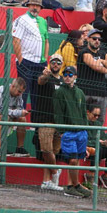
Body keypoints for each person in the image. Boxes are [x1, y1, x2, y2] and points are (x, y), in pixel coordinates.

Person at [53, 66, 92, 198]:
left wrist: (85, 128)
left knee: (78, 159)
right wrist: (62, 131)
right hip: (68, 131)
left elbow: (83, 112)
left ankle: (71, 186)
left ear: (75, 76)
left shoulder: (80, 92)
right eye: (65, 74)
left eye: (70, 74)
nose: (67, 77)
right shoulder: (60, 92)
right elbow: (58, 113)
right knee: (73, 160)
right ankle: (76, 185)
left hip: (81, 131)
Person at [13, 0, 49, 123]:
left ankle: (35, 123)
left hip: (40, 63)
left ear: (40, 8)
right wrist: (21, 59)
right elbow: (16, 39)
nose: (35, 7)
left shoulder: (43, 21)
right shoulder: (22, 20)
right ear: (28, 6)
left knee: (37, 95)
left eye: (37, 5)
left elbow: (46, 41)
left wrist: (45, 60)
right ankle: (19, 120)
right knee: (23, 92)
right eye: (32, 5)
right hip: (26, 61)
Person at [33, 53, 64, 191]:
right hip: (45, 119)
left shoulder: (64, 81)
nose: (55, 64)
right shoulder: (45, 77)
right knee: (46, 150)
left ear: (61, 65)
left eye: (58, 62)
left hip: (59, 121)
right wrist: (46, 74)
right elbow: (41, 80)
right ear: (49, 63)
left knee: (54, 152)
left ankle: (46, 181)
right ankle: (55, 172)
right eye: (53, 62)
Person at [76, 29, 107, 126]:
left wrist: (102, 62)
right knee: (82, 120)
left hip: (101, 92)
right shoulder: (84, 52)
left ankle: (98, 140)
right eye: (94, 38)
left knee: (99, 121)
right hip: (85, 92)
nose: (97, 41)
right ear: (88, 39)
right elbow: (95, 66)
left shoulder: (103, 53)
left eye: (99, 39)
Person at [83, 98, 107, 189]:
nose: (97, 117)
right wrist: (98, 142)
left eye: (98, 115)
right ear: (88, 112)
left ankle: (106, 175)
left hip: (97, 146)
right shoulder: (83, 123)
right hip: (87, 148)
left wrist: (105, 143)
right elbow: (84, 139)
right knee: (97, 149)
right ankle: (91, 175)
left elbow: (103, 137)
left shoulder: (97, 124)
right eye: (95, 115)